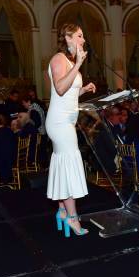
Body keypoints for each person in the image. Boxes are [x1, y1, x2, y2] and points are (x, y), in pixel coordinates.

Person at [46, 23, 96, 237]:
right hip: (59, 122)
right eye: (79, 35)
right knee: (68, 164)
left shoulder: (70, 62)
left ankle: (62, 211)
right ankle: (73, 217)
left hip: (67, 120)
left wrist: (83, 89)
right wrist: (79, 65)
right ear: (67, 37)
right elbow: (58, 88)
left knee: (62, 164)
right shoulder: (59, 58)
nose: (83, 40)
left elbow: (67, 93)